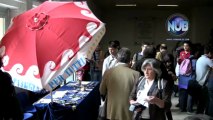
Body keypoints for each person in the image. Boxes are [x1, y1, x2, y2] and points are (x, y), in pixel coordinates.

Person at [100, 47, 140, 120]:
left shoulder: (108, 72)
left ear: (117, 59)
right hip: (129, 113)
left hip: (111, 112)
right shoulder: (136, 74)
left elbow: (102, 91)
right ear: (130, 60)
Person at [196, 44, 213, 114]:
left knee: (201, 102)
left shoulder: (200, 59)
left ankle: (199, 114)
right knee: (209, 101)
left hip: (198, 83)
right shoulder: (208, 60)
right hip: (204, 84)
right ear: (209, 53)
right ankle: (208, 115)